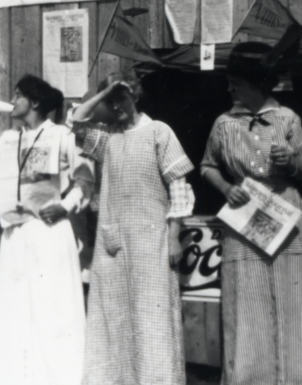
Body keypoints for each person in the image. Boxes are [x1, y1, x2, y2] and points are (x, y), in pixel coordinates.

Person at [0, 74, 93, 385]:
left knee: (54, 310)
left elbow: (85, 180)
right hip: (16, 236)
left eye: (18, 95)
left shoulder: (62, 134)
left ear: (34, 102)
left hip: (50, 232)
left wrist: (65, 205)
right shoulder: (8, 139)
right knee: (17, 309)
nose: (12, 101)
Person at [201, 42, 302, 385]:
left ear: (256, 83)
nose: (230, 88)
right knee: (246, 304)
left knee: (293, 303)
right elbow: (208, 166)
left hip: (286, 216)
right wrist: (225, 188)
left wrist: (292, 163)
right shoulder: (224, 124)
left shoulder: (287, 119)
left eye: (236, 82)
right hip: (244, 215)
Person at [71, 70, 195, 385]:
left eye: (121, 98)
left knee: (152, 318)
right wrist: (105, 91)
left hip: (151, 243)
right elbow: (76, 121)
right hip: (112, 244)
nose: (116, 107)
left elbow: (178, 187)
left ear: (135, 96)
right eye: (110, 101)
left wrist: (173, 237)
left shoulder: (158, 131)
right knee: (111, 317)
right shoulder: (106, 138)